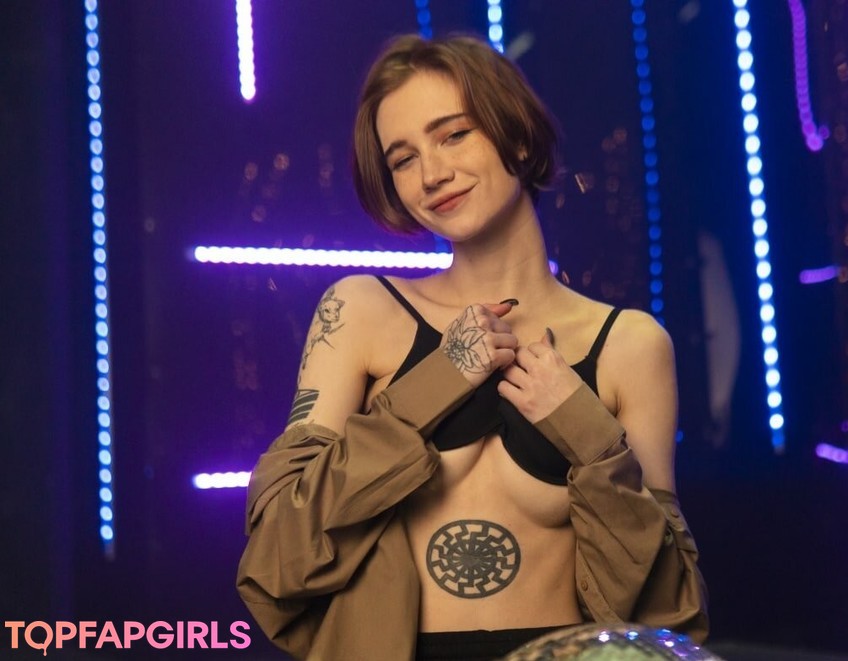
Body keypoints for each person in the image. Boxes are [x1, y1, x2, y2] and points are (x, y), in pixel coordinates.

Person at [236, 34, 708, 660]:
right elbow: (277, 556)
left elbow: (670, 618)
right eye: (403, 159)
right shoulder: (362, 311)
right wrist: (434, 384)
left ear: (517, 137)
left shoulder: (629, 345)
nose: (432, 174)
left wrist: (587, 432)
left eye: (454, 135)